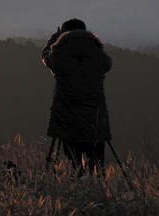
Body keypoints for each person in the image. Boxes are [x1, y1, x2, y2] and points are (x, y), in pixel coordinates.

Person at [41, 18, 112, 173]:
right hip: (95, 119)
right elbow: (107, 64)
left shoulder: (58, 54)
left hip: (68, 118)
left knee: (74, 162)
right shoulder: (98, 54)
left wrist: (53, 39)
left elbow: (45, 56)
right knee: (97, 165)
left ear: (63, 34)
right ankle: (99, 190)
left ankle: (77, 183)